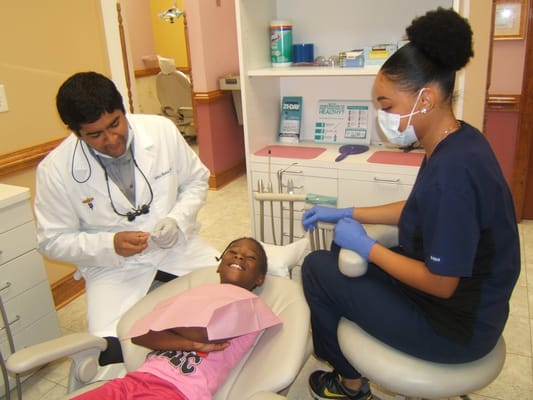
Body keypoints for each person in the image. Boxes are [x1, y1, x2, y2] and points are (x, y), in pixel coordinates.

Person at [300, 8, 520, 400]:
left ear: (427, 98)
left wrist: (368, 247)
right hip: (465, 309)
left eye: (387, 106)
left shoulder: (455, 173)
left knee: (317, 269)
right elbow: (417, 208)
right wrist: (348, 213)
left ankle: (350, 385)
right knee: (336, 252)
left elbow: (440, 283)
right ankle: (351, 372)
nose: (382, 117)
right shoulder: (457, 141)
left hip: (454, 328)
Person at [34, 72, 219, 344]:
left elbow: (196, 180)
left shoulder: (161, 131)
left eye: (115, 124)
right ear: (75, 132)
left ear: (123, 109)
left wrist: (177, 220)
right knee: (111, 345)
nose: (111, 140)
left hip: (178, 248)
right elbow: (52, 241)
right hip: (114, 269)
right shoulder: (56, 170)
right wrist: (110, 245)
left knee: (230, 295)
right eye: (95, 134)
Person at [71, 237, 271, 400]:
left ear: (260, 278)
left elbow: (207, 333)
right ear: (218, 265)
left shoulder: (251, 305)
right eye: (233, 252)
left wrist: (167, 325)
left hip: (177, 391)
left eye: (250, 257)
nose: (239, 256)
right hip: (133, 381)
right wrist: (189, 343)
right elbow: (140, 335)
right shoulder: (197, 293)